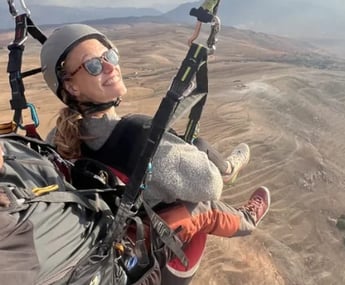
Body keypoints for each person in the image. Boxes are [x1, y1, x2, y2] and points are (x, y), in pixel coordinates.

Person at [40, 24, 271, 284]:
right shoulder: (141, 137)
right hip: (158, 261)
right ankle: (247, 216)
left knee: (195, 145)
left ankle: (226, 168)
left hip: (107, 248)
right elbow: (209, 185)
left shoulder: (57, 140)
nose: (109, 67)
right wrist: (187, 153)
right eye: (93, 65)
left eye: (110, 56)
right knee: (205, 205)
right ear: (72, 87)